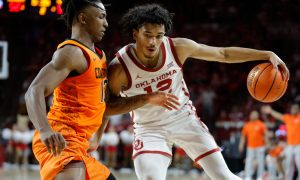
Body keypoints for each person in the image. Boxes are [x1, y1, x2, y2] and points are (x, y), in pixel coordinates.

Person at [107, 4, 289, 180]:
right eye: (148, 35)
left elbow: (223, 54)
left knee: (224, 176)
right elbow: (108, 107)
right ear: (135, 34)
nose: (153, 42)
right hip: (149, 128)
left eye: (159, 35)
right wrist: (146, 98)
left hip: (184, 119)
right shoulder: (120, 67)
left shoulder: (177, 47)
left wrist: (266, 54)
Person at [24, 1, 179, 179]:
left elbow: (104, 105)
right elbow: (33, 91)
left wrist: (98, 135)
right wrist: (45, 130)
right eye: (101, 16)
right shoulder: (71, 53)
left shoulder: (100, 55)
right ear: (82, 18)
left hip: (80, 143)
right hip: (61, 138)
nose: (106, 23)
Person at [262, 104, 300, 180]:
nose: (294, 109)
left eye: (295, 108)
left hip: (299, 145)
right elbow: (279, 116)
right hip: (290, 145)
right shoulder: (288, 118)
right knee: (289, 166)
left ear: (299, 110)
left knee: (299, 164)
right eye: (292, 108)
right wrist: (270, 111)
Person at [239, 110, 268, 180]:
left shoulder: (261, 124)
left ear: (257, 116)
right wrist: (241, 144)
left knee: (260, 162)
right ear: (250, 116)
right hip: (250, 147)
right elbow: (243, 136)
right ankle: (248, 176)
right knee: (249, 161)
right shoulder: (247, 125)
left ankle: (260, 177)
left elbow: (265, 135)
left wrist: (267, 144)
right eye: (252, 114)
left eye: (254, 114)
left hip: (260, 146)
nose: (253, 116)